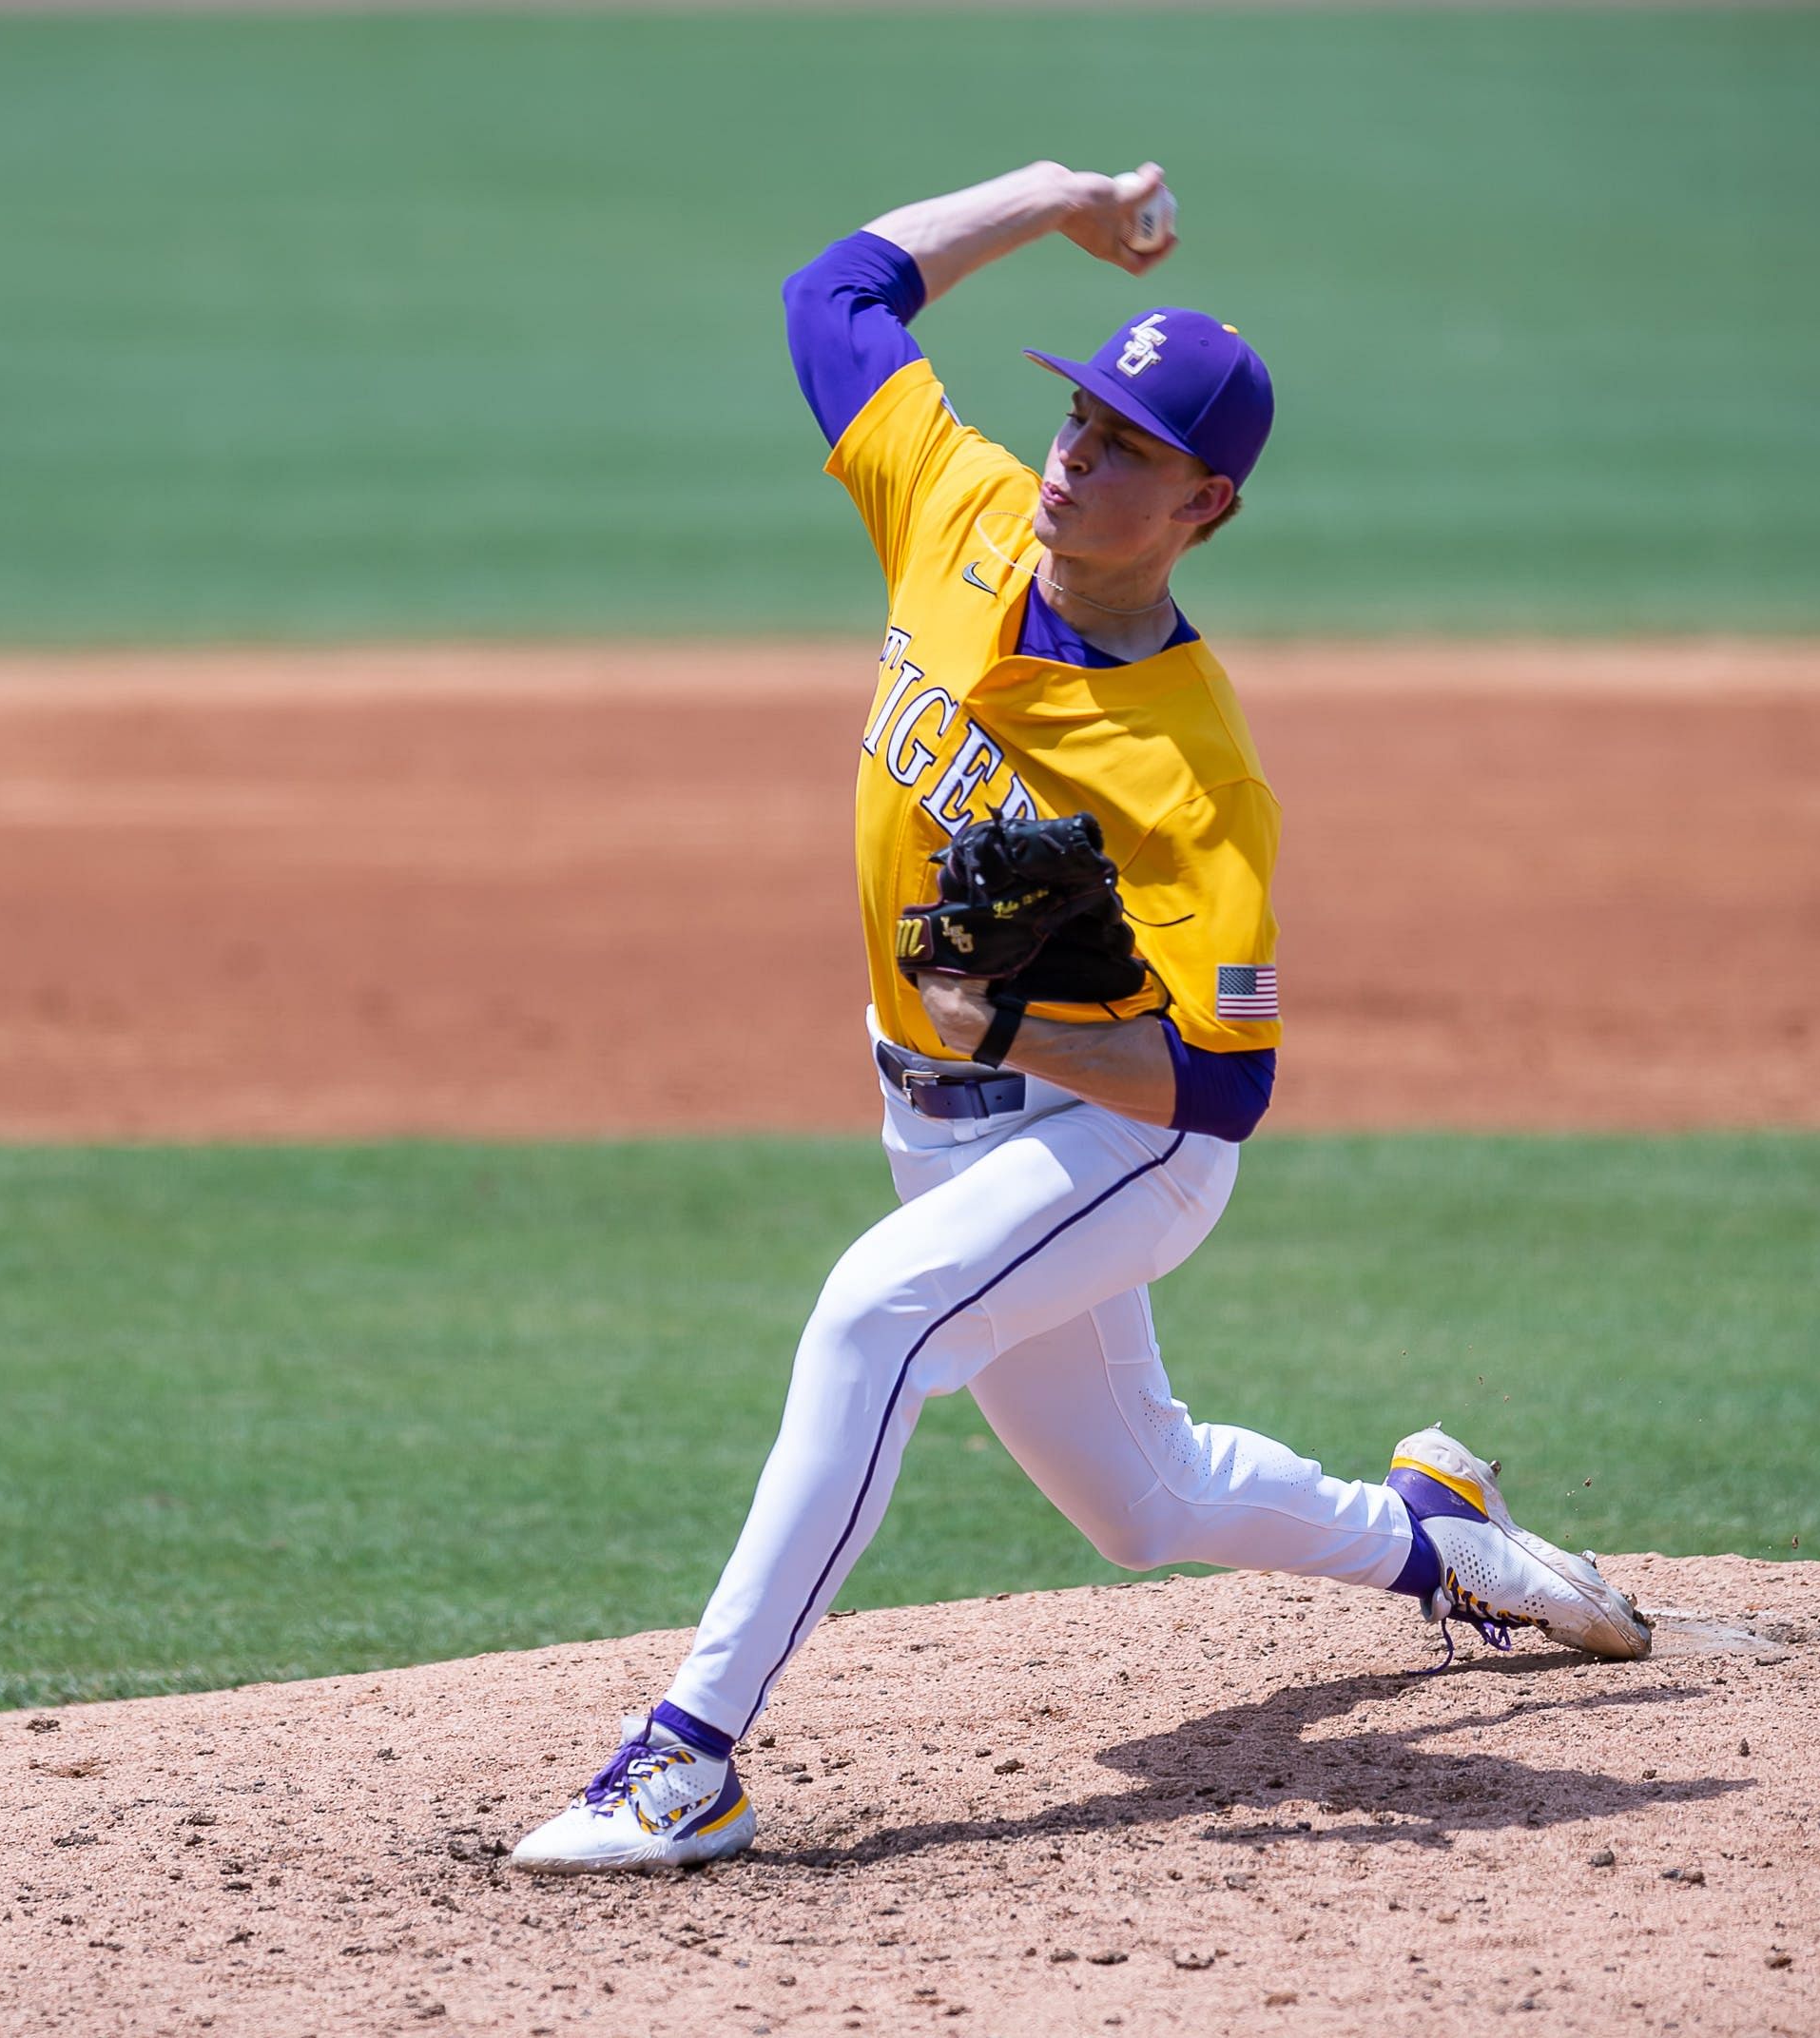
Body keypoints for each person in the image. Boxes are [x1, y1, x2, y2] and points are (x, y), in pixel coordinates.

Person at [513, 161, 1649, 1876]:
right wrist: (1054, 198)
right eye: (1079, 418)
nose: (1074, 457)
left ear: (1206, 508)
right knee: (1146, 1503)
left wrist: (1014, 1035)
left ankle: (689, 1759)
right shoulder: (963, 509)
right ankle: (1440, 1535)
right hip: (941, 1115)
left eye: (1125, 446)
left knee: (869, 1319)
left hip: (1121, 1141)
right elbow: (835, 294)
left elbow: (1225, 1088)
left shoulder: (1197, 776)